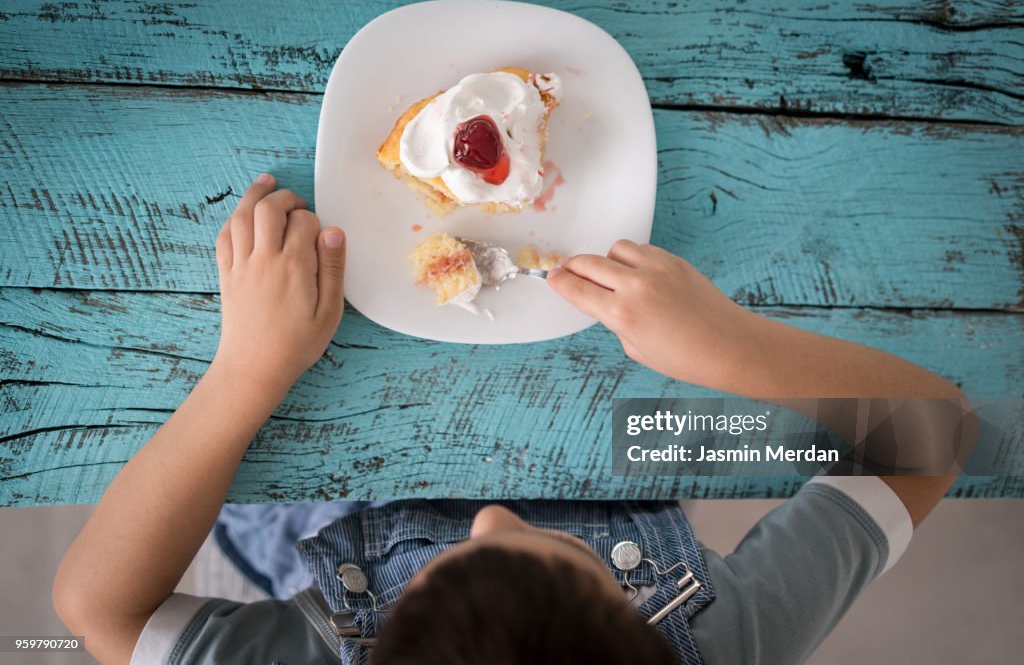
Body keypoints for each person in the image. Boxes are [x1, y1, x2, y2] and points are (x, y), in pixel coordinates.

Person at [53, 176, 964, 664]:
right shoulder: (723, 641)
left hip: (294, 530)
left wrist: (246, 372)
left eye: (461, 558)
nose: (493, 513)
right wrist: (731, 348)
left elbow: (95, 606)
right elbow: (931, 438)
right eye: (544, 546)